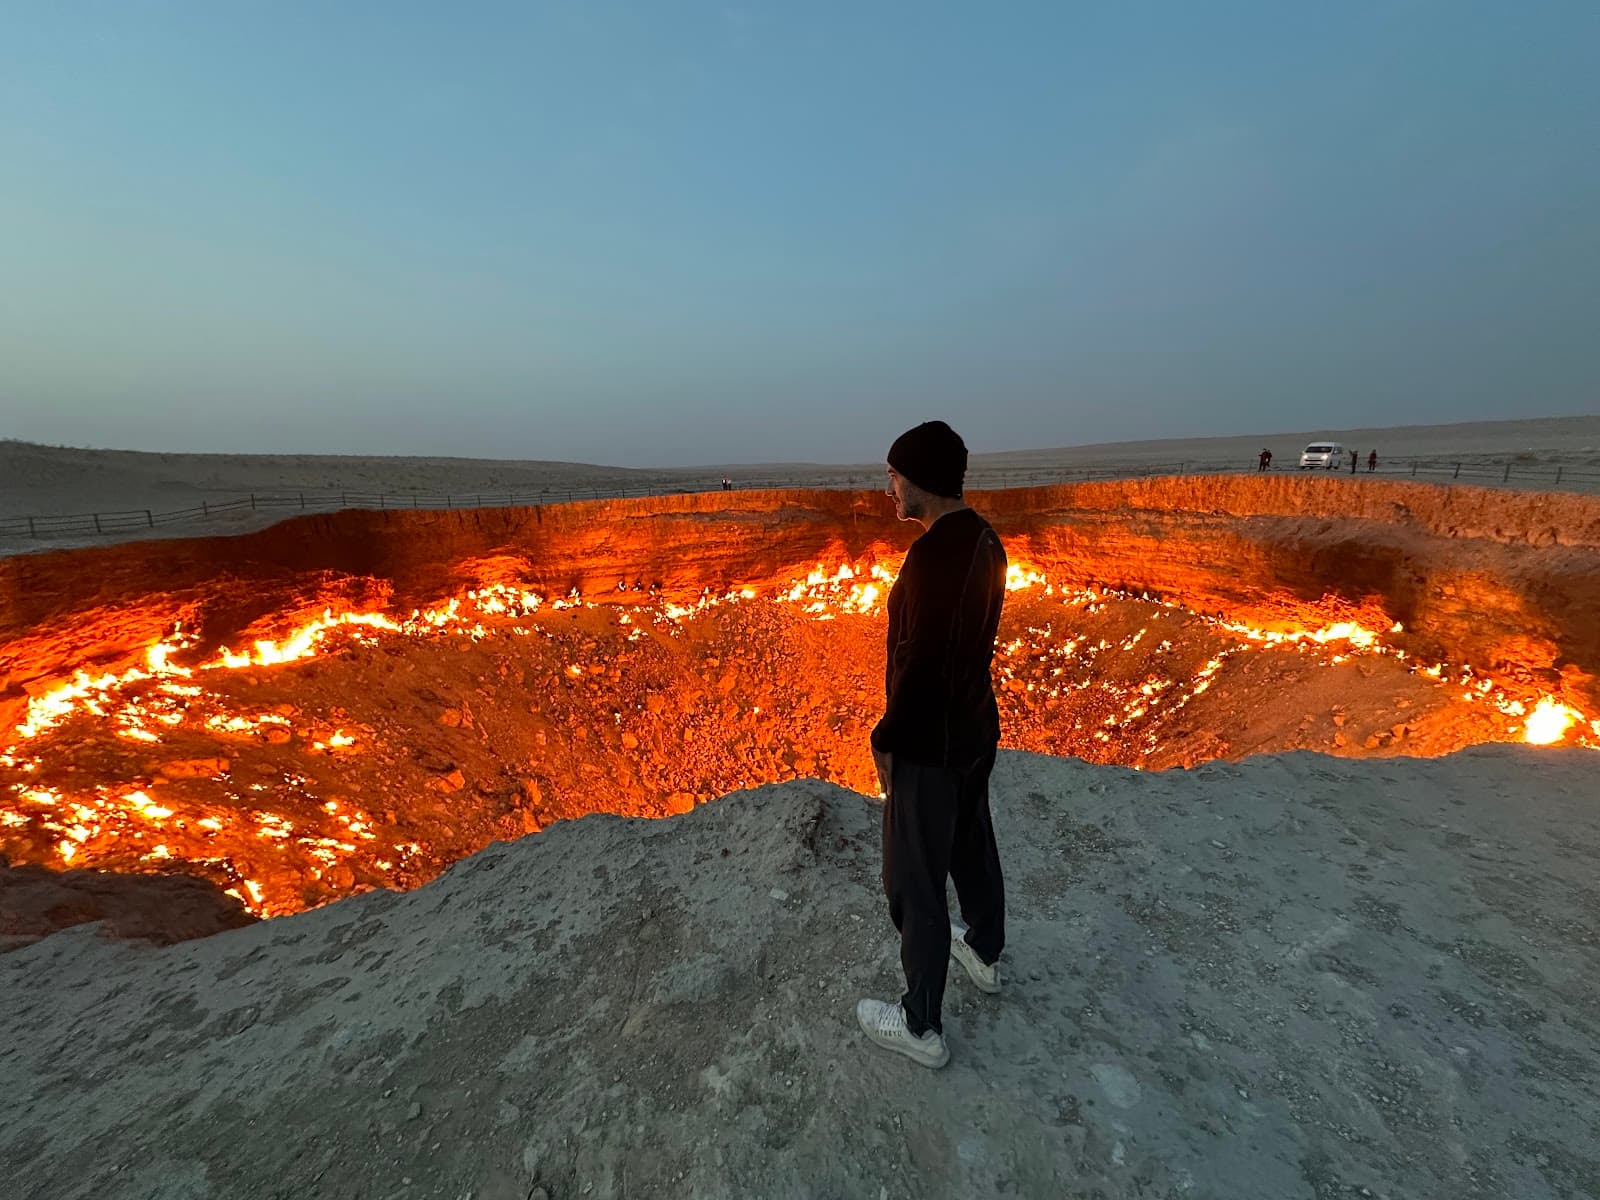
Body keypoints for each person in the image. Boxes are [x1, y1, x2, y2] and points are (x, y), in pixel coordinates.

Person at [857, 420, 1009, 1070]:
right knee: (971, 844)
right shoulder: (985, 540)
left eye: (895, 474)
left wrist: (886, 739)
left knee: (913, 881)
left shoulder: (931, 561)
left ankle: (920, 1024)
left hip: (931, 744)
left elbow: (920, 666)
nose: (888, 485)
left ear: (921, 478)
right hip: (974, 731)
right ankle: (981, 947)